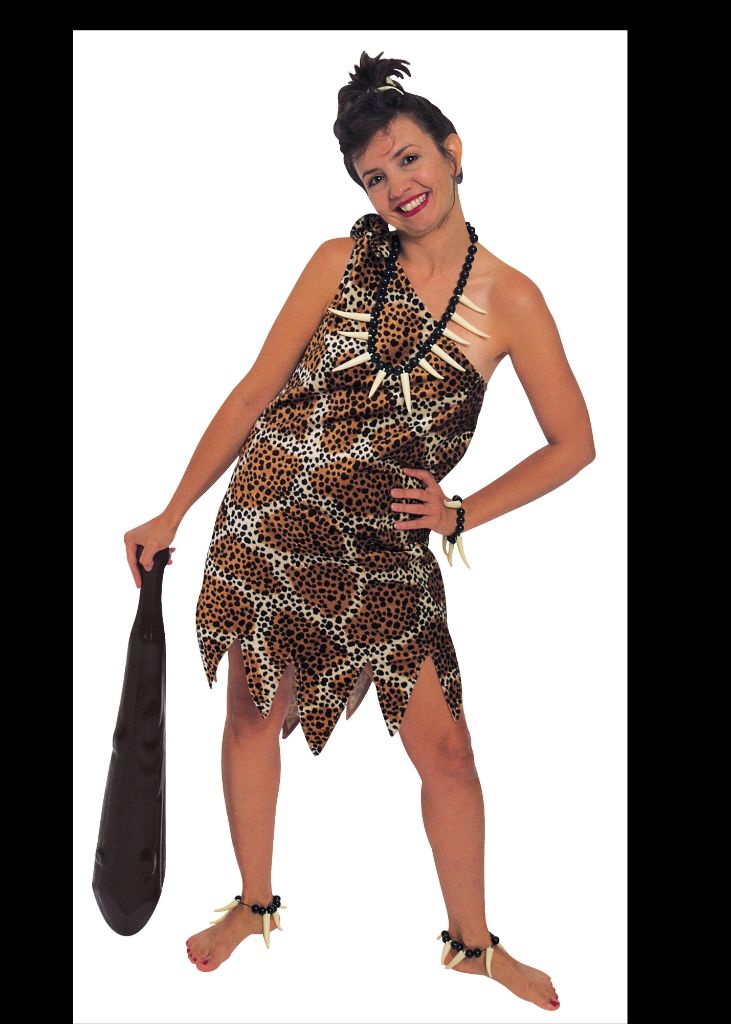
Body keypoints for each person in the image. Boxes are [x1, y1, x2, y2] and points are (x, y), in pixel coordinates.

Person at [124, 50, 594, 1010]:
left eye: (408, 159)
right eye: (374, 176)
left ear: (452, 152)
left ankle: (473, 946)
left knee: (446, 752)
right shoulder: (340, 262)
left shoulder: (512, 300)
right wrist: (173, 509)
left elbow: (572, 444)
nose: (397, 187)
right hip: (268, 526)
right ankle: (253, 905)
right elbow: (253, 393)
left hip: (380, 554)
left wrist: (461, 511)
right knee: (252, 715)